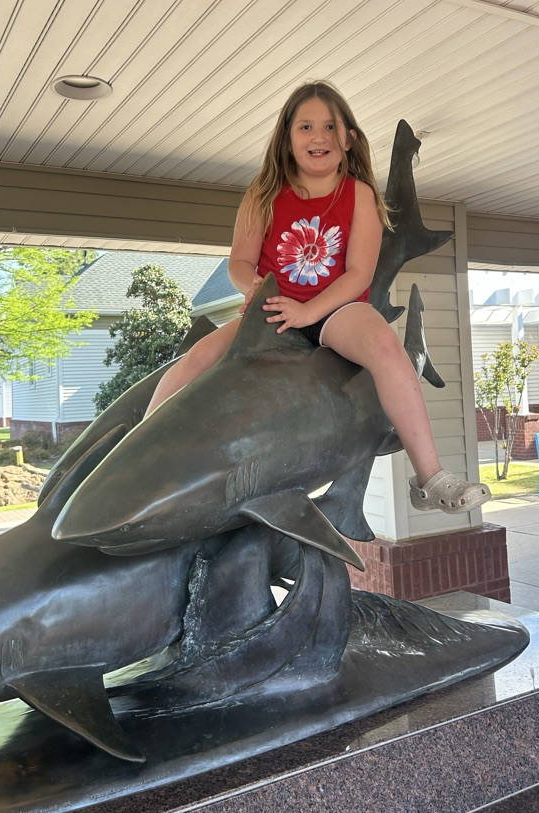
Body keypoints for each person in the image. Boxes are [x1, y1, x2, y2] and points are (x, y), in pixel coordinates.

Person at [146, 81, 490, 514]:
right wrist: (250, 285)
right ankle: (140, 448)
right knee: (197, 358)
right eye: (306, 126)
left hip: (337, 308)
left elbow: (359, 273)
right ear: (287, 138)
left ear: (348, 139)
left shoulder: (358, 194)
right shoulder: (263, 194)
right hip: (274, 309)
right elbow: (238, 263)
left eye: (331, 126)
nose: (319, 136)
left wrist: (309, 309)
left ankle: (429, 477)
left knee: (386, 347)